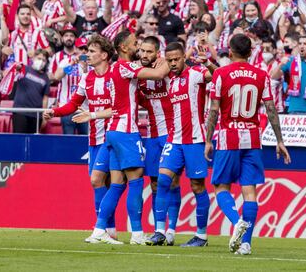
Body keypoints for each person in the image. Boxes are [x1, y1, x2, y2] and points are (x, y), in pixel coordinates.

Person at [73, 30, 170, 245]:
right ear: (124, 48)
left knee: (117, 184)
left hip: (113, 130)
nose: (138, 48)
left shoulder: (118, 69)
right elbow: (157, 75)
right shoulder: (125, 67)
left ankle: (99, 230)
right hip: (126, 131)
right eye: (135, 44)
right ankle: (136, 234)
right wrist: (163, 62)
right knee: (136, 180)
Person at [204, 33, 291, 255]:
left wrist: (207, 139)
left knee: (221, 187)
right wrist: (280, 140)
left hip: (228, 136)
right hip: (252, 137)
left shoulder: (221, 73)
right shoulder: (261, 75)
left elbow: (214, 109)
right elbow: (271, 108)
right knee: (249, 191)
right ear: (251, 52)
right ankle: (246, 244)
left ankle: (236, 222)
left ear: (230, 52)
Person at [43, 35, 122, 244]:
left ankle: (100, 229)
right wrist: (55, 111)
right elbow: (74, 103)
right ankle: (110, 230)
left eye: (92, 51)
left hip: (112, 136)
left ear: (104, 55)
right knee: (100, 183)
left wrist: (93, 115)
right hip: (94, 138)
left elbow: (119, 108)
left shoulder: (115, 76)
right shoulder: (86, 78)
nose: (87, 54)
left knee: (97, 180)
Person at [146, 42, 216, 247]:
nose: (174, 63)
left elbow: (219, 77)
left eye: (177, 59)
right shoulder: (170, 80)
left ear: (184, 57)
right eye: (170, 60)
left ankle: (201, 235)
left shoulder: (195, 73)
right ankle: (160, 231)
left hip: (195, 140)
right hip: (174, 140)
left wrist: (209, 63)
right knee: (162, 181)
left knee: (197, 186)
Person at [137, 36, 181, 246]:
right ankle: (159, 230)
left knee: (171, 180)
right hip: (152, 134)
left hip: (172, 132)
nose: (144, 55)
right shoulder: (139, 74)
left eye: (149, 52)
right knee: (154, 182)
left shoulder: (168, 68)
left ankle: (171, 229)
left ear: (157, 53)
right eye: (142, 51)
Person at [272, 35, 306, 114]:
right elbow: (274, 76)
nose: (301, 46)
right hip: (294, 109)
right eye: (300, 43)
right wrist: (280, 64)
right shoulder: (291, 61)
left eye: (305, 44)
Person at [49, 26, 89, 135]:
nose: (83, 52)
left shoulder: (92, 65)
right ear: (76, 49)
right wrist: (71, 64)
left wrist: (85, 68)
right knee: (68, 139)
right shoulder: (66, 61)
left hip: (84, 109)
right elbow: (57, 76)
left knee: (86, 141)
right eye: (81, 49)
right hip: (67, 107)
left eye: (86, 49)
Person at [13, 49, 50, 133]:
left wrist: (44, 116)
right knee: (19, 140)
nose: (41, 61)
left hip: (36, 114)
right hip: (20, 112)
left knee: (32, 141)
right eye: (39, 58)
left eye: (43, 60)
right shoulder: (24, 69)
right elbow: (15, 70)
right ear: (33, 58)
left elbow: (45, 98)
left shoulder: (45, 78)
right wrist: (17, 67)